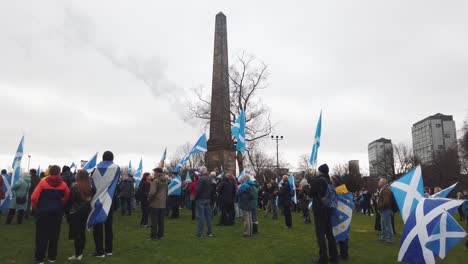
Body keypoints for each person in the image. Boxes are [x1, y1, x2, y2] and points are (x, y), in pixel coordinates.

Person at [31, 165, 70, 264]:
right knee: (54, 236)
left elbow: (33, 198)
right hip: (56, 212)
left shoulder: (43, 182)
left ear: (49, 171)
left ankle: (40, 258)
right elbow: (67, 196)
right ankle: (52, 257)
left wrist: (36, 207)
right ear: (59, 172)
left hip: (43, 212)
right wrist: (60, 203)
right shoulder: (63, 184)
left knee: (41, 235)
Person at [308, 164, 338, 264]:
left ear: (320, 171)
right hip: (328, 208)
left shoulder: (318, 181)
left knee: (320, 234)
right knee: (330, 233)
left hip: (320, 209)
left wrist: (311, 183)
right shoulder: (329, 181)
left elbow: (310, 193)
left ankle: (323, 258)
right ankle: (334, 256)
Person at [91, 151, 119, 258]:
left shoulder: (95, 169)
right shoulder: (116, 168)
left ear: (103, 158)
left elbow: (93, 185)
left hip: (97, 200)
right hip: (109, 199)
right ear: (112, 158)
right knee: (108, 226)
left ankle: (99, 251)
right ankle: (109, 250)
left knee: (97, 226)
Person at [67, 170, 92, 261]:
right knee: (81, 232)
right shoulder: (90, 186)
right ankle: (79, 253)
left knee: (76, 233)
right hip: (85, 212)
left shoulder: (75, 186)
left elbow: (71, 200)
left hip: (75, 212)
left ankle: (78, 253)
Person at [331, 175, 353, 260]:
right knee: (344, 233)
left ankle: (344, 254)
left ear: (336, 182)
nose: (332, 182)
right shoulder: (345, 190)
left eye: (332, 181)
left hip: (340, 215)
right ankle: (344, 253)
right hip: (345, 215)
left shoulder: (337, 191)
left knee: (341, 233)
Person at [148, 168, 168, 240]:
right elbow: (166, 192)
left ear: (157, 172)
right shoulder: (166, 181)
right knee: (161, 221)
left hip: (155, 203)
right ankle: (161, 235)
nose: (154, 173)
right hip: (163, 203)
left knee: (154, 221)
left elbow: (152, 192)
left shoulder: (155, 181)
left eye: (154, 172)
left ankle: (153, 236)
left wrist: (149, 199)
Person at [195, 166, 213, 237]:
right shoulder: (209, 178)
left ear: (201, 171)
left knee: (201, 216)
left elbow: (198, 190)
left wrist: (196, 197)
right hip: (208, 198)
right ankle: (210, 232)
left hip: (201, 199)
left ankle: (200, 233)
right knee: (208, 216)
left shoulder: (201, 179)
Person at [377, 178, 393, 244]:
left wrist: (380, 207)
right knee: (383, 224)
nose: (378, 183)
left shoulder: (386, 190)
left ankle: (390, 239)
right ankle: (383, 237)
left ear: (383, 183)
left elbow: (386, 202)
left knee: (387, 225)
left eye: (379, 181)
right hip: (384, 210)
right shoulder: (383, 190)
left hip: (386, 210)